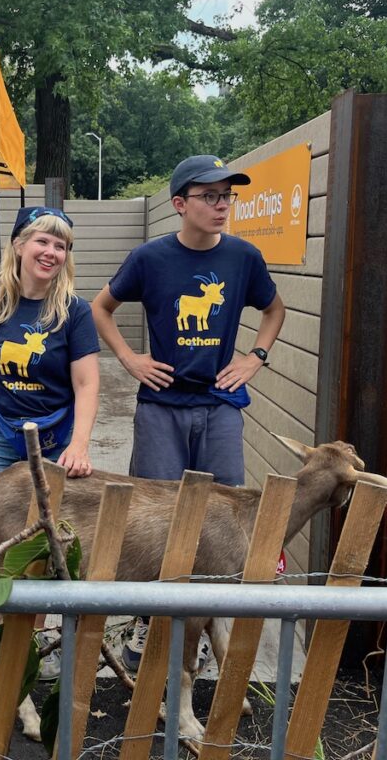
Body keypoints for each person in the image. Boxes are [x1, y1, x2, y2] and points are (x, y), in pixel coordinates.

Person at [91, 154, 286, 670]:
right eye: (210, 196)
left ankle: (200, 627)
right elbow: (99, 308)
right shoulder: (149, 259)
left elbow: (274, 309)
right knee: (156, 515)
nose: (222, 206)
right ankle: (149, 621)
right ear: (180, 204)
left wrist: (254, 357)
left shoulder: (243, 258)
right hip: (161, 406)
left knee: (221, 514)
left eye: (228, 196)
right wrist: (131, 359)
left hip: (218, 406)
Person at [0, 204, 101, 677]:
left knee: (49, 537)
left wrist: (78, 444)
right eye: (43, 240)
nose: (52, 252)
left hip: (53, 441)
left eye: (61, 245)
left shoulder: (74, 313)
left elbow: (86, 384)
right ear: (18, 245)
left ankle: (38, 634)